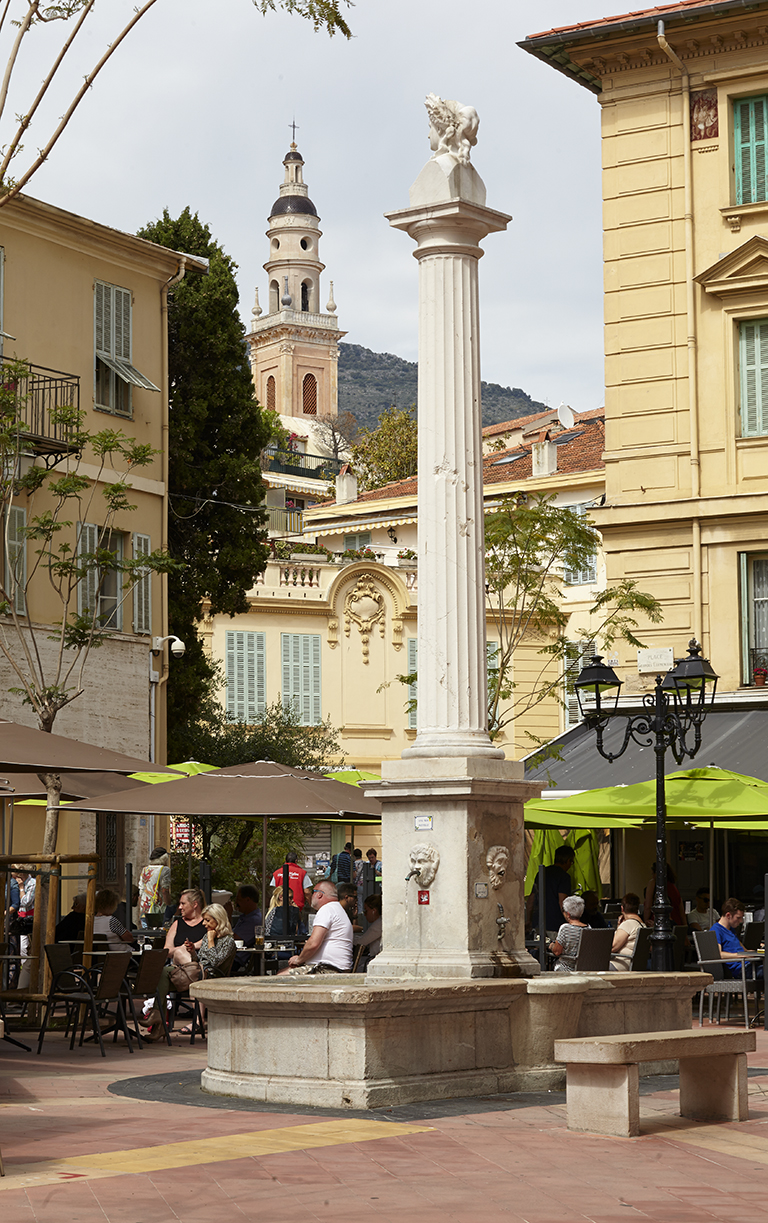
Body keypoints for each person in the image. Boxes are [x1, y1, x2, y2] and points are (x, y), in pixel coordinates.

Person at [141, 888, 207, 1037]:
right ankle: (198, 1020)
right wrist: (182, 949)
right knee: (177, 962)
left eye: (183, 903)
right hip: (181, 970)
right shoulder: (177, 924)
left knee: (164, 974)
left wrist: (190, 947)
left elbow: (209, 941)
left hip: (201, 968)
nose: (179, 907)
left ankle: (159, 1023)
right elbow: (167, 950)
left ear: (195, 904)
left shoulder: (207, 922)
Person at [281, 880, 352, 975]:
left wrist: (298, 960)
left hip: (327, 969)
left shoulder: (327, 909)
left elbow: (313, 943)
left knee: (279, 977)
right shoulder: (337, 909)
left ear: (319, 894)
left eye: (313, 892)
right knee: (282, 972)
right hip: (336, 967)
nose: (311, 896)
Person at [527, 846, 575, 935]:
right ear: (568, 860)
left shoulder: (541, 873)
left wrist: (528, 920)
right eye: (571, 862)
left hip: (538, 923)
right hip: (555, 924)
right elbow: (563, 902)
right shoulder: (564, 877)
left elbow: (531, 898)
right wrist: (571, 921)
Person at [712, 898, 763, 979]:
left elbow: (744, 951)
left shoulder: (731, 930)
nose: (741, 921)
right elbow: (718, 954)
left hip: (749, 965)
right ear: (728, 915)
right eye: (738, 918)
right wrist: (739, 956)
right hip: (741, 970)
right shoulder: (716, 930)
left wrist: (759, 952)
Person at [550, 894, 587, 973]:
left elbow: (557, 951)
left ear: (568, 914)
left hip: (567, 968)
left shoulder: (565, 928)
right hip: (584, 968)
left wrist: (552, 946)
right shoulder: (589, 928)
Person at [12, 868, 36, 990]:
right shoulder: (16, 882)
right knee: (21, 949)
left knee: (27, 949)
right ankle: (23, 977)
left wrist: (21, 888)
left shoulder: (32, 883)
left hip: (29, 920)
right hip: (20, 919)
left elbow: (25, 901)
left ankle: (25, 981)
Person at [609, 893, 645, 971]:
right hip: (634, 964)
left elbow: (612, 947)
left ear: (622, 909)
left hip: (620, 964)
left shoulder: (628, 924)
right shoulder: (642, 925)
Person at [138, 847, 171, 928]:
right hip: (158, 909)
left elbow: (141, 891)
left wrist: (141, 909)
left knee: (146, 935)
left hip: (145, 908)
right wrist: (169, 906)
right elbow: (164, 891)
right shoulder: (165, 870)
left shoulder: (145, 869)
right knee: (159, 935)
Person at [644, 862, 684, 927]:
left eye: (653, 874)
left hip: (659, 923)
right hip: (676, 923)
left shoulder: (653, 883)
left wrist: (646, 921)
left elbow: (648, 906)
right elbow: (681, 911)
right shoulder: (674, 888)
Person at [353, 893, 382, 970]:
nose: (365, 915)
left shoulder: (378, 924)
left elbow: (362, 941)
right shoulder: (380, 923)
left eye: (366, 911)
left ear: (374, 911)